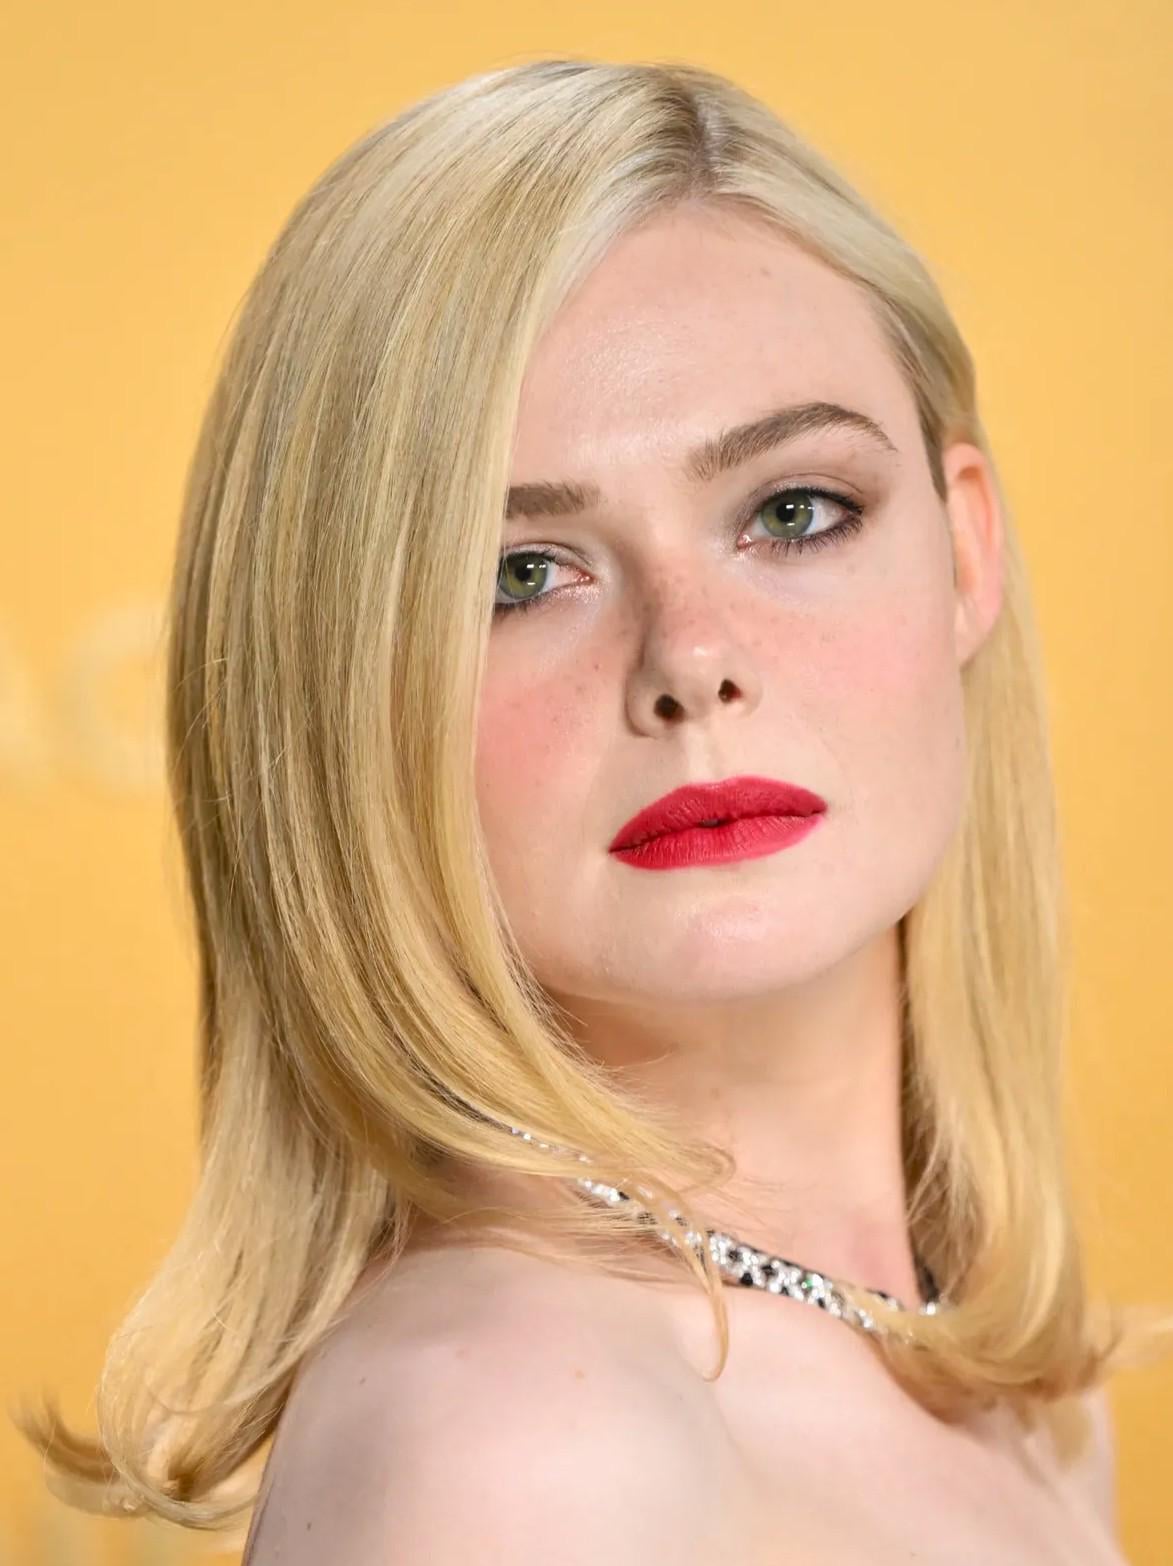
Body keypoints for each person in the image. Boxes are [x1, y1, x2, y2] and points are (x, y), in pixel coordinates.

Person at [16, 55, 1172, 1564]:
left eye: (792, 512)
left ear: (964, 552)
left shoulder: (1009, 1391)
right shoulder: (515, 1440)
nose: (689, 658)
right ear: (337, 684)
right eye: (520, 575)